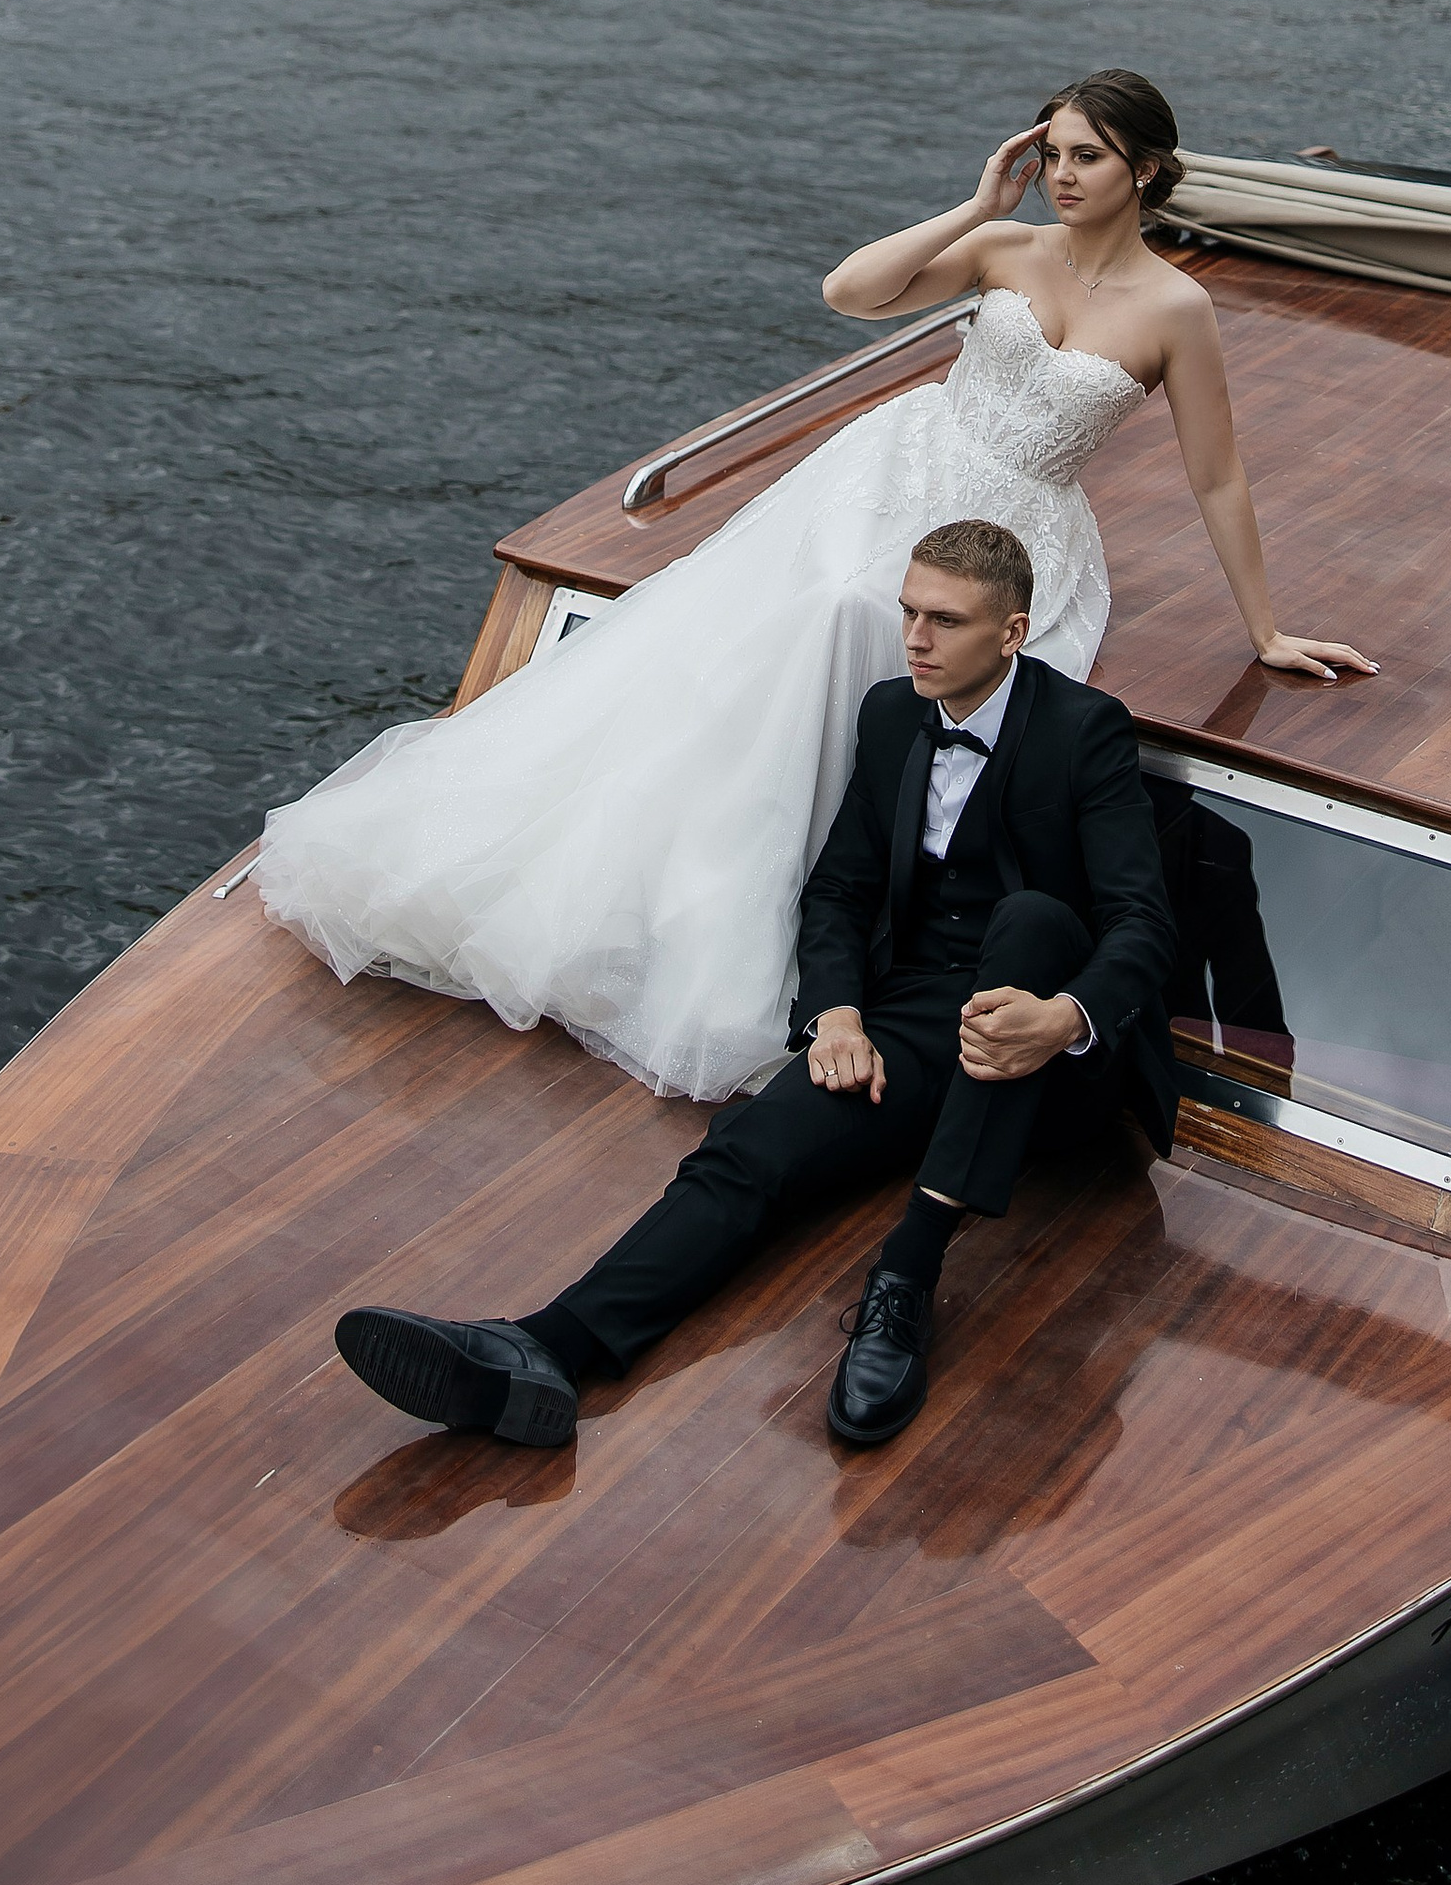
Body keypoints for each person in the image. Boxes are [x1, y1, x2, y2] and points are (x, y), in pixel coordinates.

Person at [259, 67, 1373, 1106]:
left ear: (1144, 171)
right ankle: (712, 904)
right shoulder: (1005, 247)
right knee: (848, 606)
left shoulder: (1178, 310)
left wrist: (1264, 628)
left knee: (909, 648)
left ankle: (833, 925)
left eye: (1088, 157)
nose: (1065, 175)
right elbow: (851, 292)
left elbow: (1215, 474)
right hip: (899, 472)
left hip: (1019, 525)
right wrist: (977, 199)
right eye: (1056, 154)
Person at [338, 521, 1180, 1450]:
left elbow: (1143, 925)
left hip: (1050, 1054)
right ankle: (543, 1350)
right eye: (907, 613)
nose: (915, 640)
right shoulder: (893, 715)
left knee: (1033, 923)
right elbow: (840, 890)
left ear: (1012, 633)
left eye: (945, 621)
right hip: (909, 1022)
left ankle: (905, 1277)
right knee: (752, 1149)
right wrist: (836, 1013)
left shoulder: (1082, 731)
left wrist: (1064, 1018)